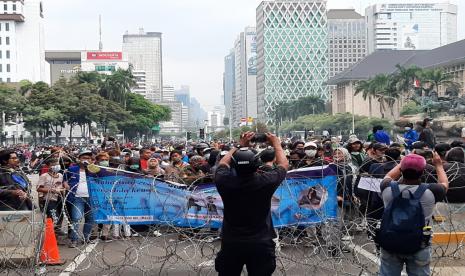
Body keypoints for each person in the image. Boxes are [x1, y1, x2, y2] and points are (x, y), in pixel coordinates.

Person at [214, 132, 288, 276]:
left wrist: (238, 146)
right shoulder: (266, 181)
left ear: (233, 165)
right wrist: (276, 143)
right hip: (261, 242)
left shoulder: (224, 180)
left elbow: (223, 163)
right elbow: (283, 164)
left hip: (232, 241)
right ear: (257, 164)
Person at [378, 153, 448, 276]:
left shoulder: (387, 188)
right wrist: (438, 165)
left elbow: (388, 176)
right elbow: (444, 184)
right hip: (419, 244)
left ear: (401, 170)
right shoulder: (431, 192)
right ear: (423, 172)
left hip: (390, 241)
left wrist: (404, 161)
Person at [66, 151, 95, 248]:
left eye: (88, 158)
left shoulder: (95, 170)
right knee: (76, 218)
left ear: (91, 160)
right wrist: (65, 184)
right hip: (77, 198)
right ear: (79, 159)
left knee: (90, 219)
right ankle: (74, 239)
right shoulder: (72, 169)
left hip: (91, 198)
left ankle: (86, 238)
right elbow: (65, 180)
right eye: (83, 158)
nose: (85, 160)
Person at [37, 158, 69, 232]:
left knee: (60, 215)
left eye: (57, 164)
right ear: (48, 166)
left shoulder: (60, 175)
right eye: (53, 165)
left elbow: (62, 185)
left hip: (60, 198)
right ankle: (50, 232)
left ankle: (56, 231)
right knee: (54, 216)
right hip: (49, 199)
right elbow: (39, 189)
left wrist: (63, 189)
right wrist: (52, 190)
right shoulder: (44, 176)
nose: (56, 166)